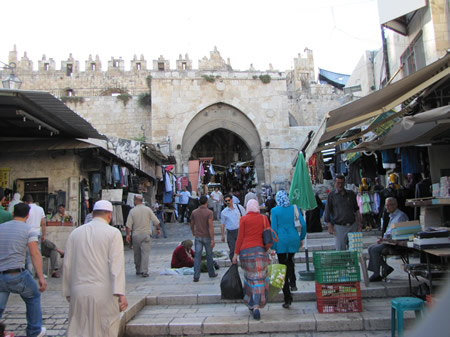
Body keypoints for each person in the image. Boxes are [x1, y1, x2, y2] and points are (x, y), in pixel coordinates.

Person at [62, 200, 128, 337]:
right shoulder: (113, 233)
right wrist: (120, 293)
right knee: (105, 330)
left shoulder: (75, 233)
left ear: (92, 214)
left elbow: (67, 264)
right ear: (109, 215)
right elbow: (116, 265)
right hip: (104, 292)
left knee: (79, 330)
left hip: (79, 291)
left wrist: (68, 291)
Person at [0, 203, 47, 337]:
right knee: (33, 296)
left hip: (0, 275)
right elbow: (34, 253)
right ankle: (34, 330)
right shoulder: (29, 230)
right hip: (17, 274)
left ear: (13, 213)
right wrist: (41, 278)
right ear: (27, 216)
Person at [232, 199, 270, 320]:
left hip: (245, 253)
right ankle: (257, 306)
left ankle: (250, 302)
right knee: (259, 278)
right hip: (259, 252)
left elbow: (240, 238)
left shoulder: (243, 219)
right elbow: (268, 238)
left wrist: (235, 254)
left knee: (249, 277)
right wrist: (268, 250)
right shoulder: (264, 218)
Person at [270, 190, 306, 308]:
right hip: (293, 238)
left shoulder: (274, 211)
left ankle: (287, 298)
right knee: (290, 260)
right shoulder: (294, 208)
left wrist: (273, 246)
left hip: (280, 240)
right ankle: (293, 281)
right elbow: (303, 224)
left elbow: (274, 229)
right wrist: (301, 237)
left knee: (282, 267)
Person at [367, 197, 409, 282]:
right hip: (389, 241)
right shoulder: (391, 216)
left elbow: (398, 233)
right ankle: (386, 268)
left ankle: (376, 274)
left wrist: (385, 239)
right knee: (370, 248)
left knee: (374, 250)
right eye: (386, 205)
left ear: (395, 205)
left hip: (397, 242)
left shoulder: (400, 216)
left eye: (390, 205)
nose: (387, 207)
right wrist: (383, 239)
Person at [125, 195, 160, 277]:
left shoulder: (132, 211)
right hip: (146, 235)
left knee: (137, 254)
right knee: (145, 254)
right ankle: (144, 271)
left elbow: (128, 225)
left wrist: (127, 235)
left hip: (136, 235)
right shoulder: (148, 210)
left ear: (135, 201)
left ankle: (138, 270)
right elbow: (156, 221)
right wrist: (158, 229)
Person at [324, 175, 362, 250]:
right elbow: (328, 211)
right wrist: (329, 226)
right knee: (340, 250)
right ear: (335, 183)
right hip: (339, 226)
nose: (340, 185)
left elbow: (356, 210)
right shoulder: (331, 196)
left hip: (352, 225)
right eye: (338, 183)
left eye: (342, 183)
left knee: (355, 250)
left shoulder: (351, 194)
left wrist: (359, 224)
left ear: (344, 183)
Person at [190, 195, 217, 282]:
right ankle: (211, 273)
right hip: (207, 236)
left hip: (198, 236)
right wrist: (212, 238)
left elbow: (192, 224)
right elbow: (210, 226)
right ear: (207, 202)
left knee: (197, 256)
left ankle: (196, 276)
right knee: (209, 255)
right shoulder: (209, 212)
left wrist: (193, 232)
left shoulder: (194, 212)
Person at [23, 195, 46, 274]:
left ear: (25, 201)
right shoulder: (40, 209)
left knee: (29, 255)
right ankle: (40, 272)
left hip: (27, 233)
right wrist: (43, 234)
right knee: (38, 254)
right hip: (37, 233)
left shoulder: (25, 208)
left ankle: (30, 273)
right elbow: (43, 223)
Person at [220, 194, 247, 261]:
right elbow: (222, 224)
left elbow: (246, 217)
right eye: (226, 201)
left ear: (232, 200)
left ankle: (244, 264)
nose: (228, 202)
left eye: (229, 200)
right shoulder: (224, 212)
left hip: (239, 230)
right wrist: (222, 235)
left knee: (242, 249)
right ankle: (234, 267)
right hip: (230, 232)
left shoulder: (239, 208)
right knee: (232, 250)